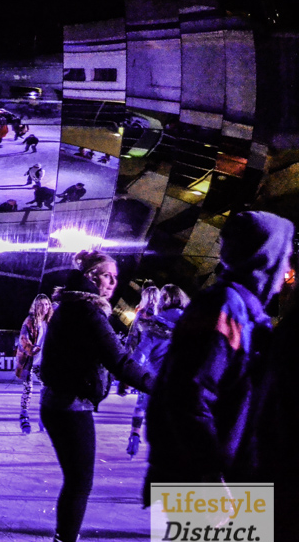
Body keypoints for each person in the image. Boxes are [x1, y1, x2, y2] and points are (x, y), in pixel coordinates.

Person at [144, 212, 293, 513]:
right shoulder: (224, 307)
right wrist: (209, 473)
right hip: (204, 480)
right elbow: (188, 393)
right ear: (266, 257)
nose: (287, 268)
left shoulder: (243, 310)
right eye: (284, 256)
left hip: (220, 475)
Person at [39, 250, 154, 542]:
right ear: (91, 275)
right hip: (70, 406)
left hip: (59, 402)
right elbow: (118, 359)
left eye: (116, 278)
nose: (113, 283)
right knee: (80, 482)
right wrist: (159, 384)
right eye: (107, 275)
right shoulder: (88, 311)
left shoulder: (72, 305)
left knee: (76, 480)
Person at [126, 284, 188, 458]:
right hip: (182, 383)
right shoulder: (192, 323)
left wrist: (127, 374)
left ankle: (135, 435)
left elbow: (140, 352)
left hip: (155, 381)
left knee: (142, 406)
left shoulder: (157, 323)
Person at [15, 294, 52, 435]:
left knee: (47, 388)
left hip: (43, 362)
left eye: (47, 304)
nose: (45, 307)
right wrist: (32, 349)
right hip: (28, 361)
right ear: (36, 306)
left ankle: (44, 415)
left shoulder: (50, 322)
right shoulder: (30, 321)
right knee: (28, 388)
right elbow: (23, 339)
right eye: (41, 304)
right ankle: (24, 416)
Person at [118, 284, 160, 397]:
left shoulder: (141, 313)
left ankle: (127, 386)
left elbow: (133, 336)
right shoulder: (160, 315)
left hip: (141, 348)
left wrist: (128, 352)